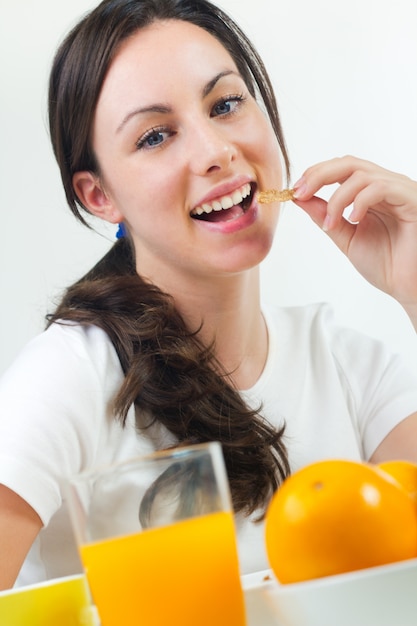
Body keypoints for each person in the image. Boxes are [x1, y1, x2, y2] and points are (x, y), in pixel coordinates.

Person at [1, 0, 417, 590]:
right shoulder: (69, 377)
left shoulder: (350, 367)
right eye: (154, 136)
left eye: (225, 104)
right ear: (100, 196)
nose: (215, 151)